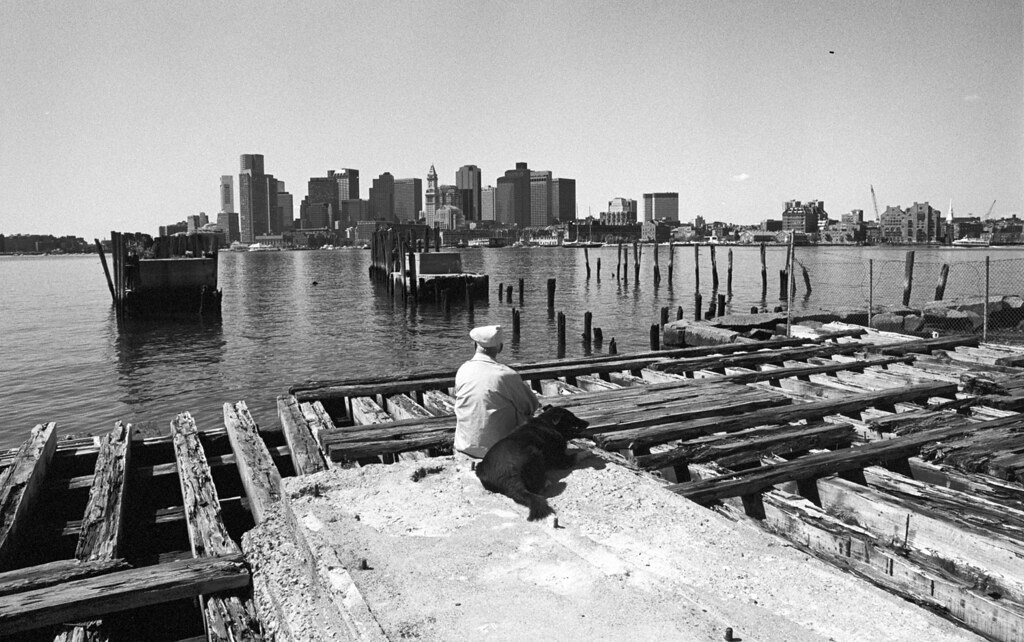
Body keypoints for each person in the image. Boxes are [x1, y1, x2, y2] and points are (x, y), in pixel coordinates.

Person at [453, 325, 541, 459]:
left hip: (464, 444)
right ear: (500, 348)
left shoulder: (463, 369)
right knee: (522, 409)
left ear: (474, 345)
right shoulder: (506, 375)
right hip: (497, 450)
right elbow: (531, 406)